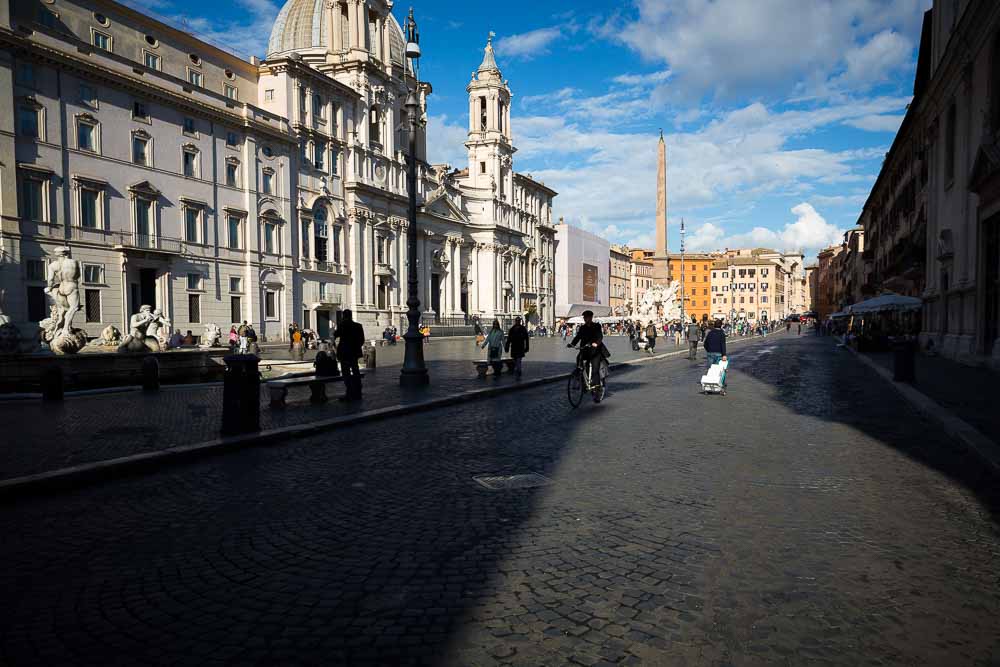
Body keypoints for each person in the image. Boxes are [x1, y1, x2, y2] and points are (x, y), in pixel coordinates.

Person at [568, 310, 605, 398]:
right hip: (585, 350)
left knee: (595, 369)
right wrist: (572, 344)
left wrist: (596, 343)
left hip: (595, 351)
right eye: (584, 317)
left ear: (591, 317)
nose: (585, 319)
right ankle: (579, 376)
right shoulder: (582, 328)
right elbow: (578, 337)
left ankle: (596, 387)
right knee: (579, 359)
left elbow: (600, 336)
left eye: (587, 317)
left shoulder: (596, 326)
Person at [333, 309, 365, 401]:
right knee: (356, 371)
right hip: (354, 353)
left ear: (344, 316)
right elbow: (362, 340)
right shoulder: (358, 326)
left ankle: (349, 392)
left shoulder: (342, 325)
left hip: (344, 353)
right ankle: (358, 391)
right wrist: (356, 347)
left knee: (346, 373)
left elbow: (335, 335)